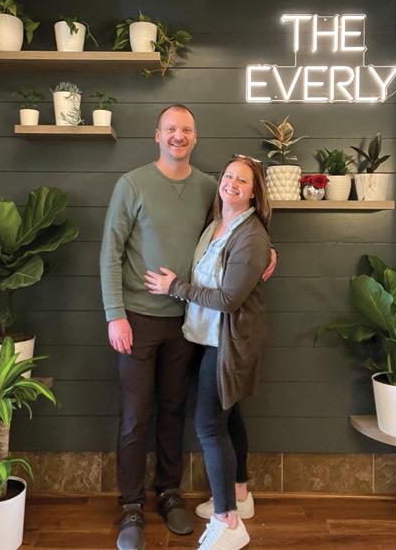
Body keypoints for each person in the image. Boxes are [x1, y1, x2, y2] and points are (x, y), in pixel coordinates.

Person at [100, 105, 276, 550]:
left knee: (175, 410)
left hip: (185, 325)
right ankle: (131, 506)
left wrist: (267, 254)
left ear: (195, 138)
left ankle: (169, 492)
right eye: (171, 129)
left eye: (187, 130)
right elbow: (110, 252)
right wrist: (114, 314)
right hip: (137, 319)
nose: (178, 136)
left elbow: (237, 231)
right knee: (135, 416)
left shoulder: (207, 188)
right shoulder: (132, 184)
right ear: (157, 135)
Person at [145, 155, 272, 550]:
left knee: (209, 425)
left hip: (227, 343)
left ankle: (228, 521)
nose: (232, 183)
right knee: (229, 416)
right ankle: (240, 496)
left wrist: (175, 288)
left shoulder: (251, 236)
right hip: (204, 337)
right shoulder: (217, 222)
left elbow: (229, 299)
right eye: (228, 175)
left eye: (242, 180)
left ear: (255, 193)